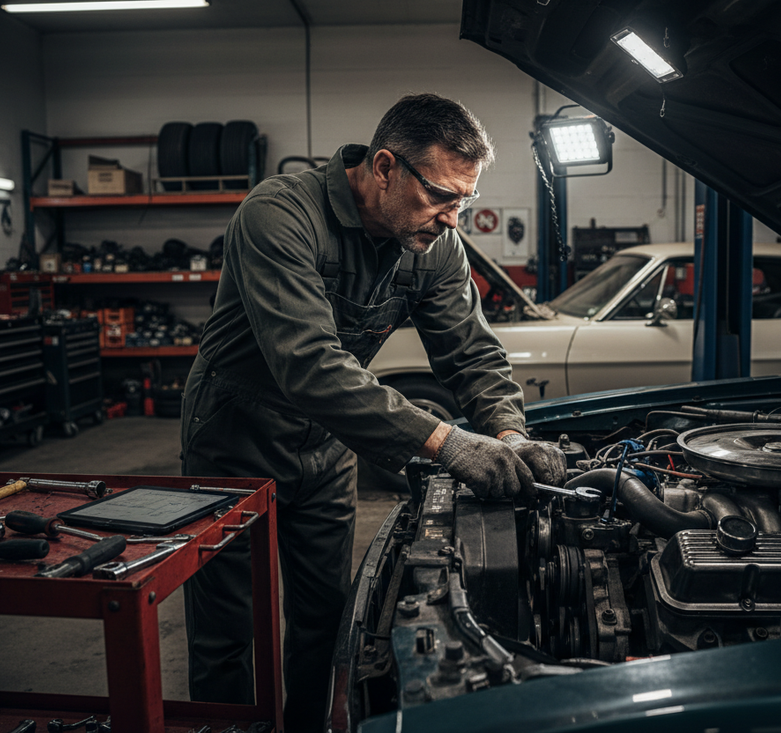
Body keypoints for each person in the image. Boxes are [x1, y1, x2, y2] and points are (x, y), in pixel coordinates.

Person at [179, 92, 565, 732]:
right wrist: (448, 442)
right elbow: (310, 365)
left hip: (327, 449)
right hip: (234, 441)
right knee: (227, 630)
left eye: (463, 201)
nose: (452, 217)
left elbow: (470, 352)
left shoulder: (435, 246)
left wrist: (507, 433)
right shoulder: (279, 216)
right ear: (385, 167)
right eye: (442, 196)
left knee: (324, 620)